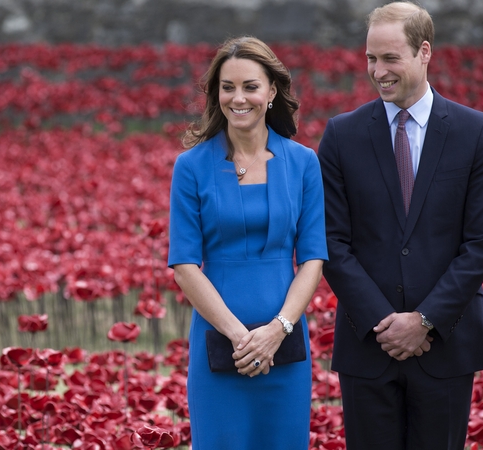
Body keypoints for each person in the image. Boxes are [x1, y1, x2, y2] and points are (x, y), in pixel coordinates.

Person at [317, 2, 483, 449]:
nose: (377, 70)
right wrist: (385, 322)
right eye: (370, 58)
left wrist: (424, 320)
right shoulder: (341, 135)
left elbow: (481, 243)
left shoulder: (475, 132)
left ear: (424, 52)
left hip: (446, 344)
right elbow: (330, 240)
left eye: (390, 58)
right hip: (368, 346)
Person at [167, 36, 327, 449]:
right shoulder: (191, 166)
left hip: (286, 346)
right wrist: (240, 337)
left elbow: (313, 259)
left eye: (250, 86)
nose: (238, 98)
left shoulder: (304, 162)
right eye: (227, 87)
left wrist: (278, 329)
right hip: (219, 346)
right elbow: (184, 265)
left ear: (272, 91)